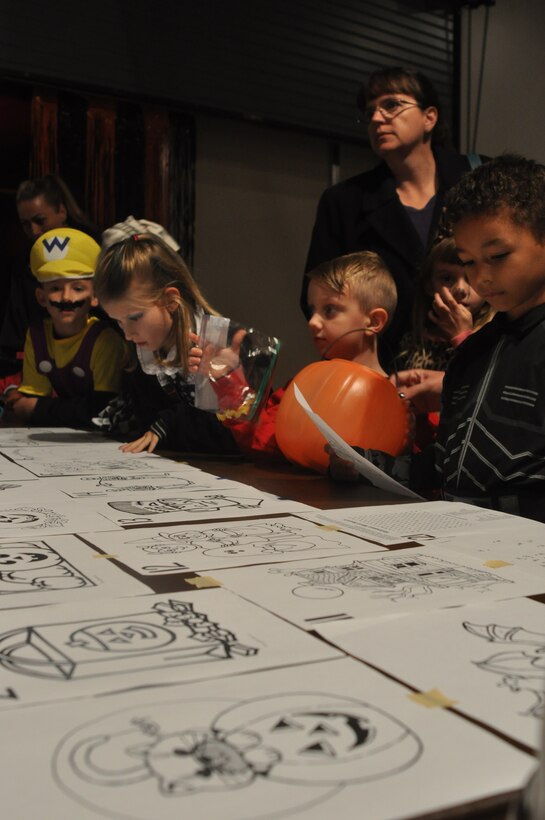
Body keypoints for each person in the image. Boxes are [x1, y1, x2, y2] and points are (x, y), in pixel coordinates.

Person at [330, 154, 545, 524]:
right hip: (459, 539)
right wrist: (368, 465)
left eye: (497, 256)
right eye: (469, 261)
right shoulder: (473, 350)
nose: (481, 278)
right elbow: (449, 462)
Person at [302, 65, 483, 363]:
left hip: (480, 354)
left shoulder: (477, 178)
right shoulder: (345, 201)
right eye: (370, 112)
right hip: (387, 366)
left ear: (429, 117)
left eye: (392, 105)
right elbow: (319, 298)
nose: (376, 118)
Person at [221, 250, 403, 463]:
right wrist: (231, 383)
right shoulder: (304, 385)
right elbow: (264, 438)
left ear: (373, 321)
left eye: (329, 310)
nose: (312, 322)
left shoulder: (403, 400)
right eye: (312, 310)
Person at [92, 233, 239, 455]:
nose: (128, 333)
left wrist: (168, 425)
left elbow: (230, 431)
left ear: (170, 301)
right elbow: (146, 417)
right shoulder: (141, 349)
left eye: (134, 317)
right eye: (118, 321)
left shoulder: (215, 344)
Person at [1, 228, 125, 428]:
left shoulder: (104, 341)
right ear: (41, 297)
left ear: (95, 296)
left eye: (77, 288)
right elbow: (33, 396)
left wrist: (36, 409)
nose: (66, 298)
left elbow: (103, 409)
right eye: (56, 288)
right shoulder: (37, 336)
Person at [0, 175, 98, 381]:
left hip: (94, 367)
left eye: (40, 220)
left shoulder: (94, 250)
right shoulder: (23, 265)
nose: (34, 231)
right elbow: (13, 337)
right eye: (25, 224)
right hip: (38, 372)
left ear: (62, 211)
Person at [396, 236, 493, 372]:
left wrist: (462, 336)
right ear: (430, 286)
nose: (460, 289)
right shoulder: (414, 340)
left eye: (471, 277)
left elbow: (482, 379)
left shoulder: (493, 340)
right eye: (447, 278)